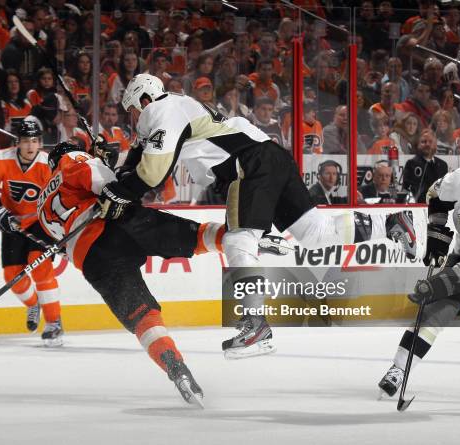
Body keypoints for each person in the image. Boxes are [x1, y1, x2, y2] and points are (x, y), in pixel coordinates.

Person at [105, 74, 419, 358]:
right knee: (315, 231)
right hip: (270, 156)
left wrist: (116, 190)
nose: (132, 118)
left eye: (132, 109)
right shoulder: (176, 108)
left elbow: (152, 172)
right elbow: (141, 154)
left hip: (249, 164)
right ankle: (390, 222)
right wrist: (117, 172)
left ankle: (256, 323)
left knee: (238, 240)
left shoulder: (161, 111)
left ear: (145, 99)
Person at [38, 141, 226, 405]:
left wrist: (108, 163)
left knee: (143, 317)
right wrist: (107, 163)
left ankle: (175, 367)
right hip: (115, 225)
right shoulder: (73, 160)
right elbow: (114, 188)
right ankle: (241, 239)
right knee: (192, 237)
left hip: (91, 259)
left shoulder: (42, 203)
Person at [378, 166, 460, 398]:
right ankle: (398, 369)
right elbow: (435, 194)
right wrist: (436, 231)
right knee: (434, 313)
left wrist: (444, 281)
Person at [0, 121, 62, 345]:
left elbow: (62, 197)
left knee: (40, 266)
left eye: (34, 141)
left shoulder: (49, 164)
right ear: (18, 143)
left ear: (40, 143)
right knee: (13, 277)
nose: (30, 146)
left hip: (41, 222)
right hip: (12, 221)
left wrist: (61, 228)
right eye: (25, 141)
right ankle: (34, 304)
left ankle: (54, 323)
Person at [402, 129, 448, 203]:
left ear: (436, 144)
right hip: (419, 206)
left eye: (430, 142)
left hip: (439, 208)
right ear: (418, 145)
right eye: (423, 142)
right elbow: (407, 189)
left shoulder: (443, 165)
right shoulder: (411, 164)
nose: (427, 144)